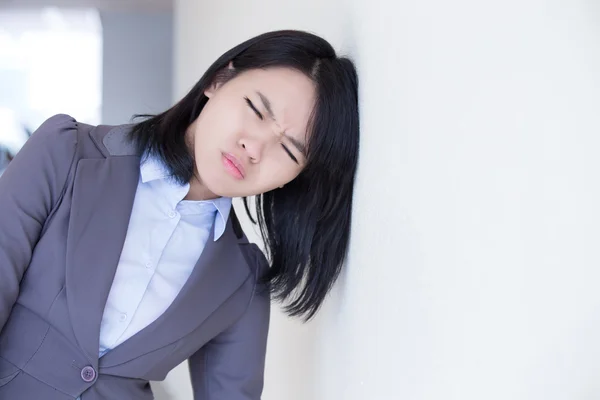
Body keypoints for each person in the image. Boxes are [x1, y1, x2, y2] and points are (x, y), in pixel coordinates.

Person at [0, 30, 359, 400]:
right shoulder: (67, 152)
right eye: (255, 109)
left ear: (295, 178)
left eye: (288, 149)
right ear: (218, 80)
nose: (254, 147)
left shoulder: (244, 281)